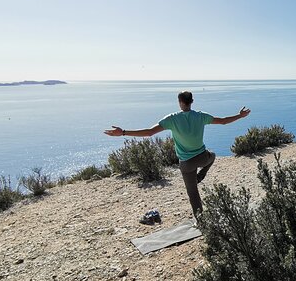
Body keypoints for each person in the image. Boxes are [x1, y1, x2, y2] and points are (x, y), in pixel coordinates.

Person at [104, 91, 251, 217]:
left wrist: (123, 132)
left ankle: (201, 220)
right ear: (192, 101)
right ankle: (200, 175)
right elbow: (224, 121)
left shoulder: (172, 119)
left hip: (186, 164)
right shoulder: (201, 116)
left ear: (180, 102)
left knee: (192, 192)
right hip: (202, 158)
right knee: (212, 155)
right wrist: (240, 116)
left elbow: (149, 132)